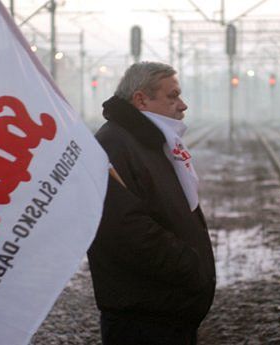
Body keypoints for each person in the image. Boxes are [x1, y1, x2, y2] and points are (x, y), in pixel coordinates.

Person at [87, 61, 216, 345]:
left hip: (164, 310)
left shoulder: (147, 142)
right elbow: (124, 228)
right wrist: (189, 266)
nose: (182, 105)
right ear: (141, 100)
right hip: (141, 319)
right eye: (172, 96)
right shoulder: (114, 144)